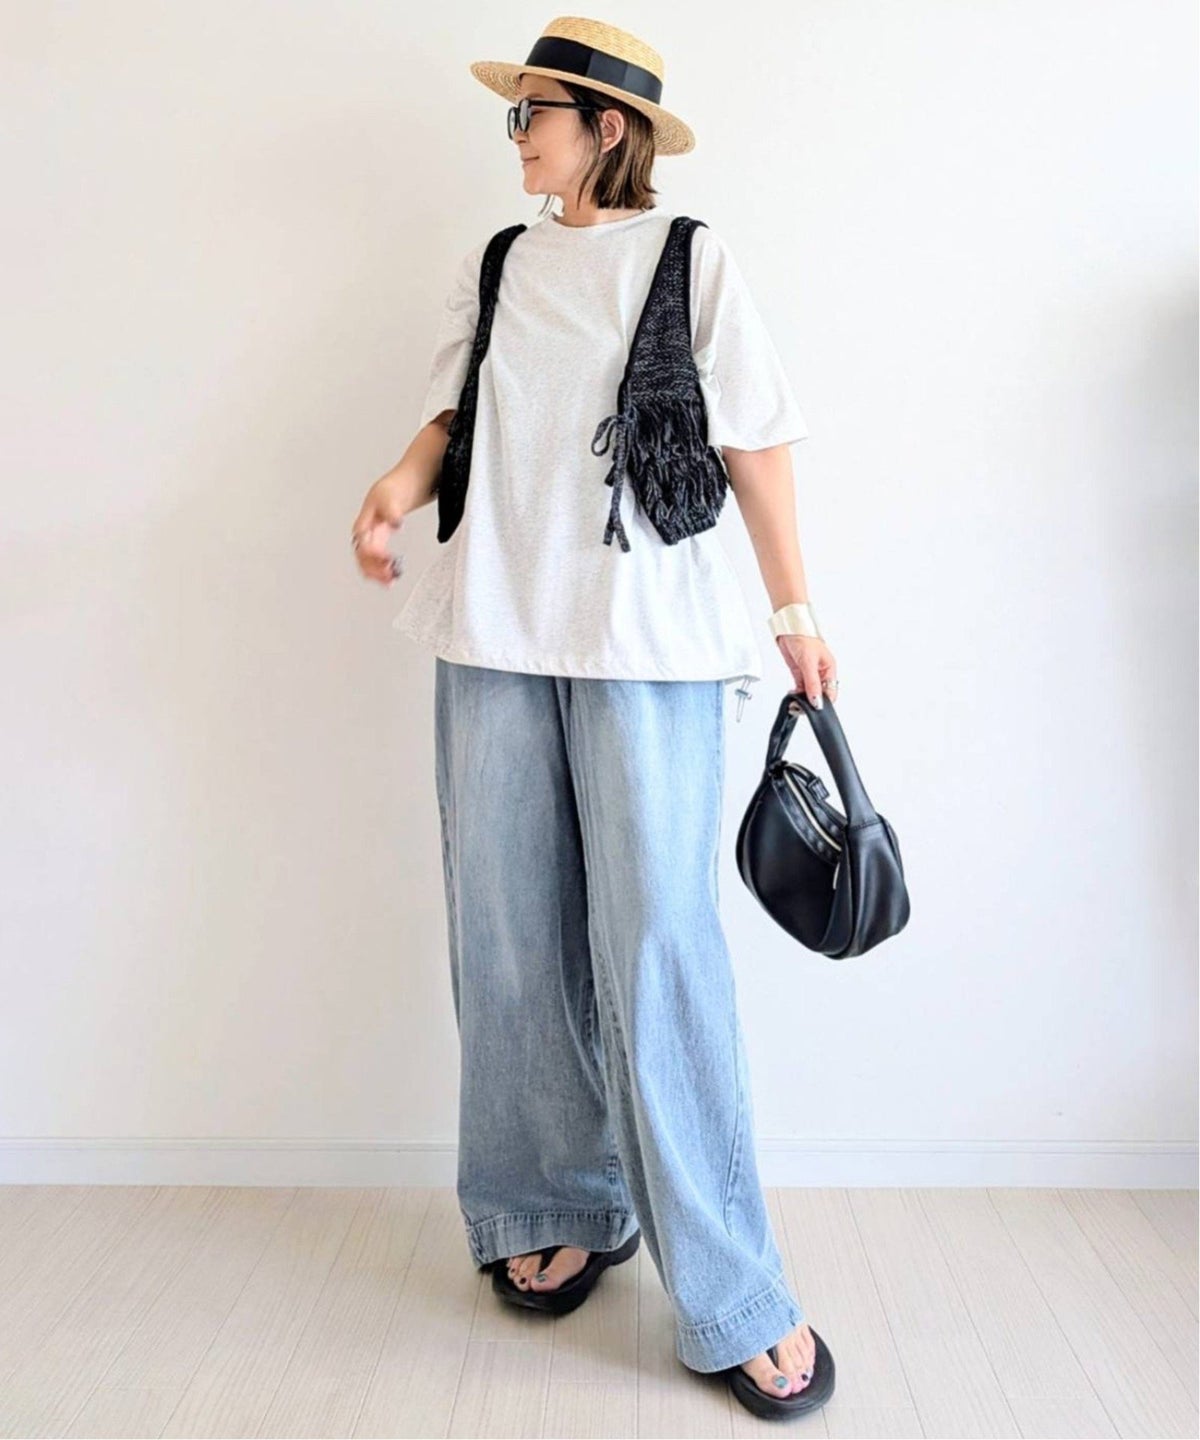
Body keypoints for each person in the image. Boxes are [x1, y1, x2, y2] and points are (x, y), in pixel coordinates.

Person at [351, 17, 838, 1421]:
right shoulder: (499, 263)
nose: (516, 139)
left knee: (659, 949)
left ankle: (735, 1292)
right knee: (507, 939)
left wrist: (797, 611)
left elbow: (756, 441)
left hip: (647, 649)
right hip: (490, 632)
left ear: (603, 128)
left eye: (534, 115)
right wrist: (394, 491)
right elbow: (453, 416)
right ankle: (554, 1203)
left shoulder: (688, 258)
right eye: (513, 117)